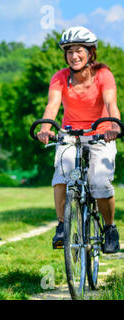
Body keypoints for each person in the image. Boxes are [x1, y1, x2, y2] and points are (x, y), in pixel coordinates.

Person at [36, 26, 121, 253]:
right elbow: (52, 106)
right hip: (70, 135)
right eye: (69, 51)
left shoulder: (103, 75)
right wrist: (45, 128)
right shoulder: (60, 77)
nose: (74, 56)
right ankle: (62, 225)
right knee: (62, 174)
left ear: (90, 52)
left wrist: (113, 126)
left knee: (99, 182)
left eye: (79, 50)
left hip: (100, 134)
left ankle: (110, 228)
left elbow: (111, 103)